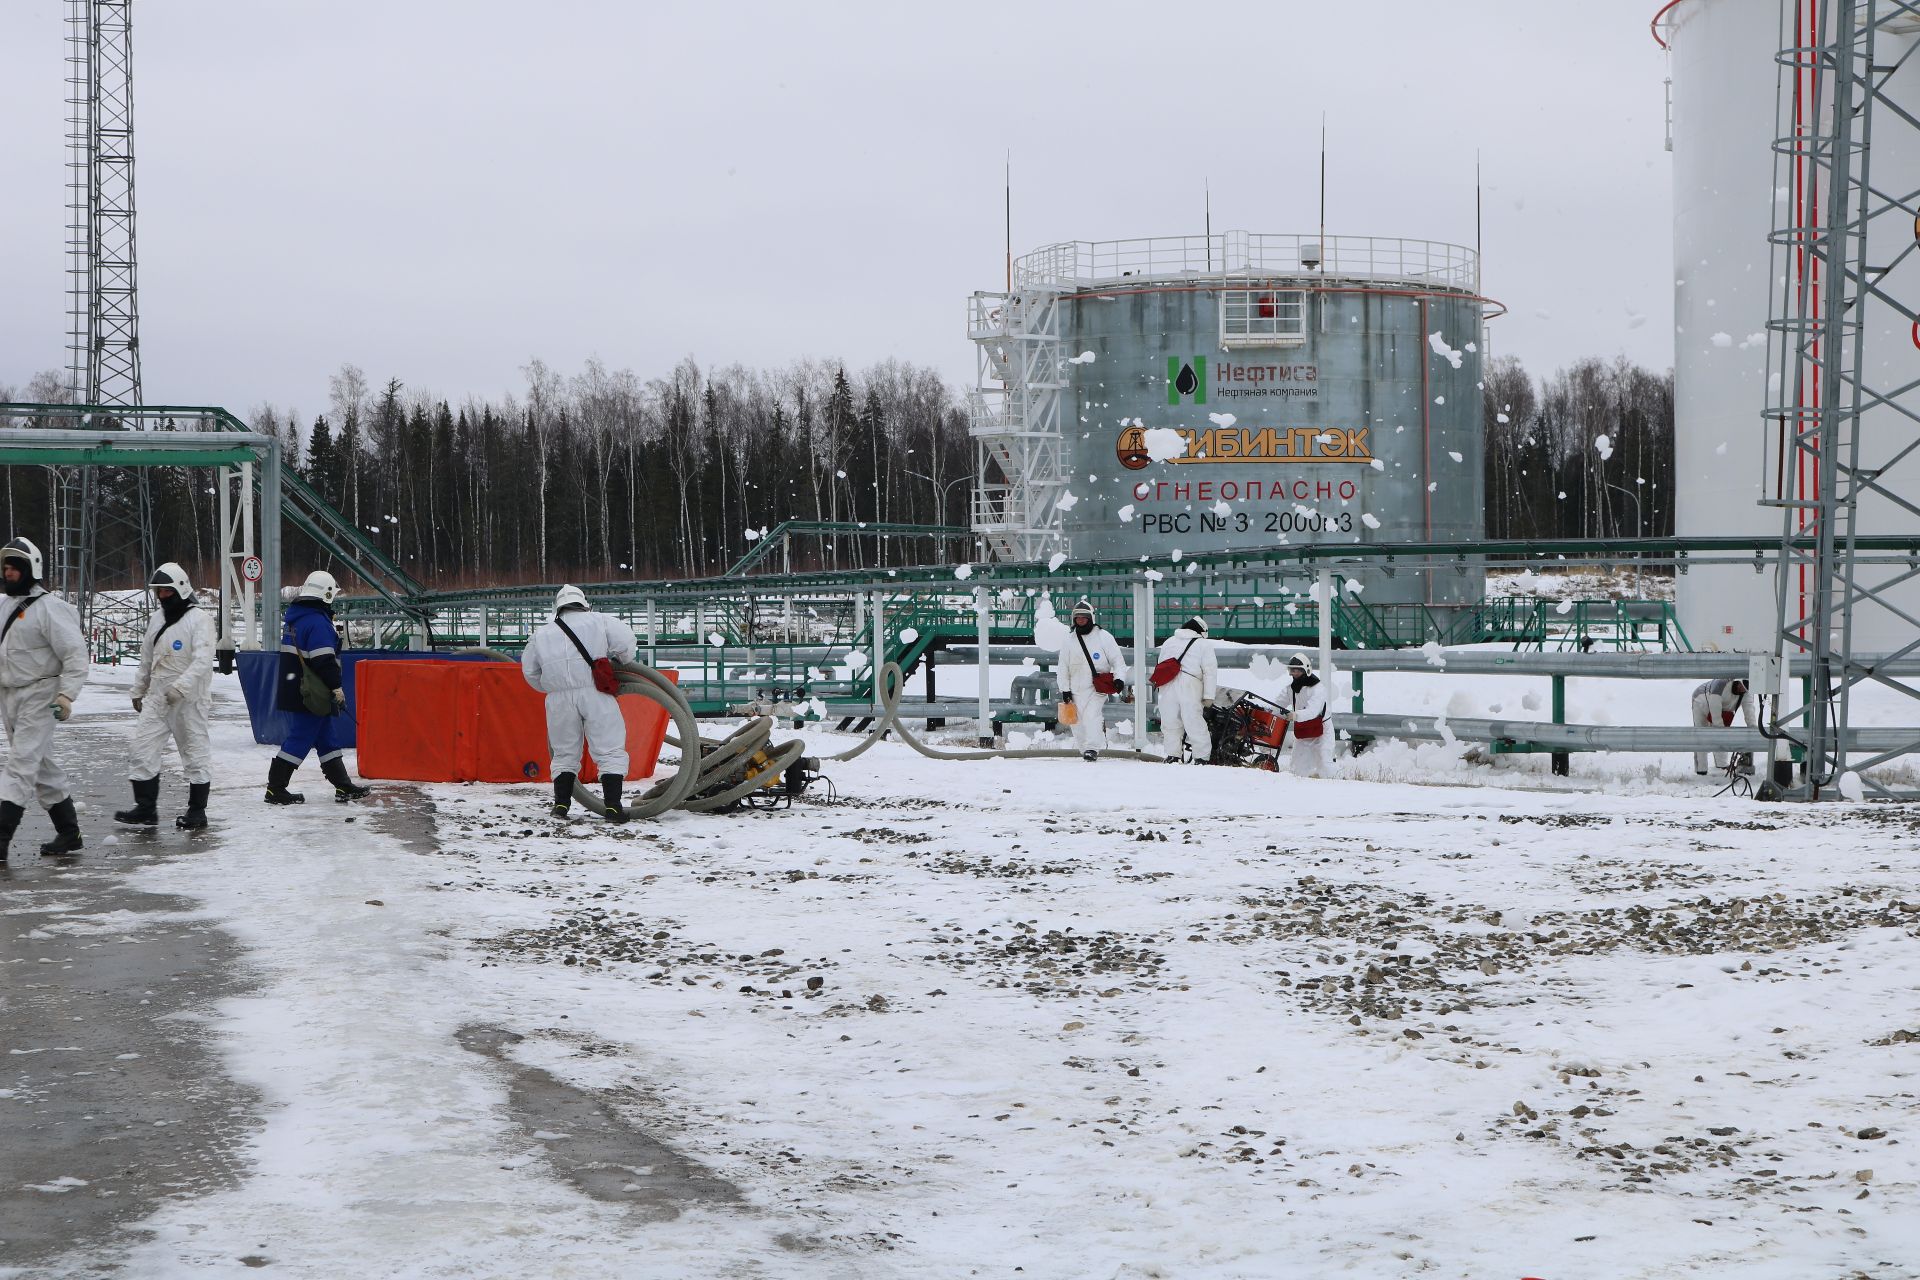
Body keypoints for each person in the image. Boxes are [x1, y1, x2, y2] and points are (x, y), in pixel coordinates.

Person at [0, 537, 89, 857]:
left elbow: (76, 655)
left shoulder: (51, 609)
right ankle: (69, 833)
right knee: (41, 767)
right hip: (9, 697)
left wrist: (66, 696)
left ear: (31, 569)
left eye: (14, 568)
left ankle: (1, 837)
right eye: (6, 568)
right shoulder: (4, 606)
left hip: (40, 695)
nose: (8, 573)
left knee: (21, 763)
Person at [522, 584, 638, 821]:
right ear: (584, 604)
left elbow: (530, 672)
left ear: (558, 608)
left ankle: (561, 806)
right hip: (595, 692)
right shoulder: (599, 620)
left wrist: (552, 688)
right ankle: (613, 807)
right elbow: (626, 643)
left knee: (564, 752)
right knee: (609, 748)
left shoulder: (541, 634)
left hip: (558, 699)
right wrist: (623, 660)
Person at [116, 563, 216, 830]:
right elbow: (146, 659)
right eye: (159, 591)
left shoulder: (200, 620)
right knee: (142, 749)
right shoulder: (157, 619)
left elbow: (203, 660)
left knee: (194, 752)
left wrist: (181, 687)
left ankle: (197, 811)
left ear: (180, 589)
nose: (162, 596)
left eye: (167, 591)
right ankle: (145, 808)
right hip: (157, 698)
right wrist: (139, 690)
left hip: (189, 701)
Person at [266, 570, 372, 804]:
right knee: (300, 738)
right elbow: (323, 660)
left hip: (298, 687)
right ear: (327, 594)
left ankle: (343, 786)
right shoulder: (318, 622)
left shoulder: (297, 619)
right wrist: (336, 686)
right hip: (311, 693)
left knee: (326, 739)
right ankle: (275, 788)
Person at [1055, 597, 1127, 762]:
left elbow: (1118, 661)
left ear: (1090, 618)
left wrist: (1119, 678)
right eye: (1078, 617)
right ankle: (1084, 749)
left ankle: (1092, 748)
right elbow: (1063, 666)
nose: (1081, 620)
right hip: (1075, 689)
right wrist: (1064, 688)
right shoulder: (1069, 640)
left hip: (1096, 688)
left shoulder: (1104, 637)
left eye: (1084, 617)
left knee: (1092, 717)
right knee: (1076, 722)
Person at [1156, 616, 1218, 763]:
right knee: (1194, 721)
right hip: (1191, 684)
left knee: (1170, 721)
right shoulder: (1203, 644)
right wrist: (1209, 696)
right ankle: (1201, 757)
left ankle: (1173, 755)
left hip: (1168, 684)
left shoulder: (1169, 642)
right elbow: (1210, 672)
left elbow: (1160, 665)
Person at [1691, 677, 1757, 776]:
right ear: (1737, 681)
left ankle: (1721, 765)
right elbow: (1716, 719)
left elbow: (1749, 711)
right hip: (1701, 701)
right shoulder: (1720, 686)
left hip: (1724, 706)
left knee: (1723, 732)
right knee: (1701, 734)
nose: (1742, 689)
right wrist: (1720, 729)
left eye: (1745, 689)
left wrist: (1753, 730)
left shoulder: (1747, 692)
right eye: (1741, 686)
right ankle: (1701, 769)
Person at [1280, 653, 1331, 777]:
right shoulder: (1291, 689)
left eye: (1297, 670)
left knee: (1325, 766)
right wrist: (1268, 710)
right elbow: (1278, 703)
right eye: (1292, 670)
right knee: (1297, 770)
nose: (1294, 673)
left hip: (1322, 731)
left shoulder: (1318, 688)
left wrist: (1295, 715)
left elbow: (1313, 711)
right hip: (1303, 731)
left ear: (1306, 670)